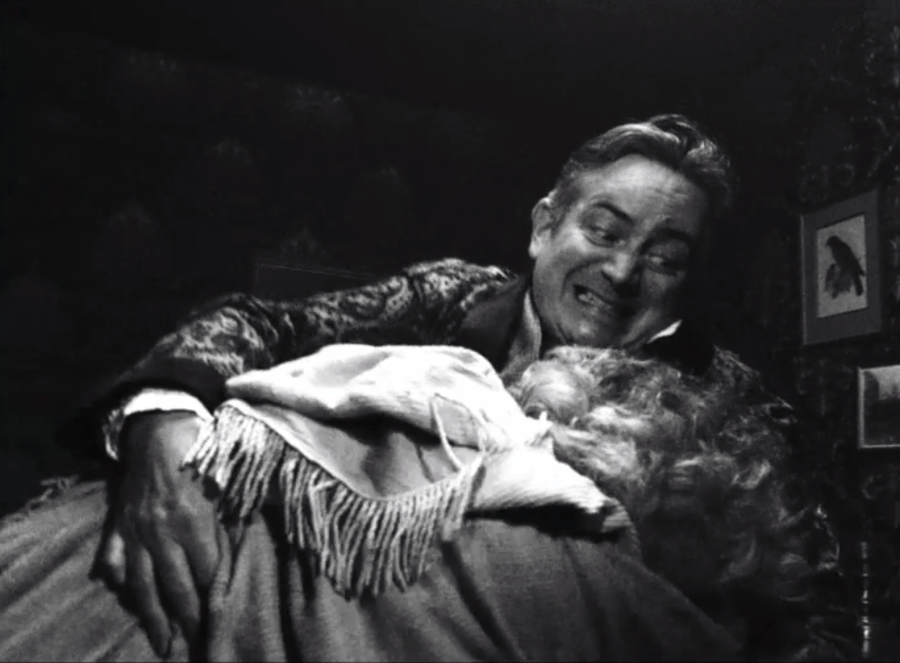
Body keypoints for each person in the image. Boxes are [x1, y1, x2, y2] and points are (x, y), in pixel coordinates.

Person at [75, 114, 855, 659]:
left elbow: (809, 602)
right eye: (604, 230)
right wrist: (160, 425)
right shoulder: (451, 298)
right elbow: (259, 323)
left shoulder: (723, 398)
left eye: (665, 257)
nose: (622, 271)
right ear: (544, 226)